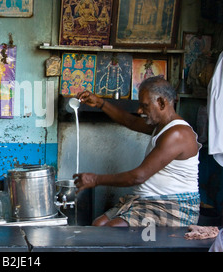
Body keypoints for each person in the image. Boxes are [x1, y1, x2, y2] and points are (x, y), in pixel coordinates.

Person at [74, 76, 201, 227]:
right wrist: (100, 103)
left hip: (173, 207)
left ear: (161, 102)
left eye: (145, 105)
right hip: (148, 201)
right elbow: (131, 121)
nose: (139, 110)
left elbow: (138, 177)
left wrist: (95, 180)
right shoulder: (161, 126)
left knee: (110, 229)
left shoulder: (177, 134)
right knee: (98, 224)